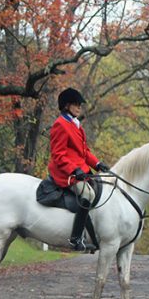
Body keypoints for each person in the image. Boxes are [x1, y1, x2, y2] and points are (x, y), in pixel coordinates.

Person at [48, 87, 110, 251]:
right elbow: (58, 155)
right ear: (67, 106)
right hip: (65, 172)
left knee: (101, 189)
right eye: (76, 104)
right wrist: (74, 170)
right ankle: (75, 238)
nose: (79, 107)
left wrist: (97, 164)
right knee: (88, 194)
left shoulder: (76, 125)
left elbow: (84, 152)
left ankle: (93, 235)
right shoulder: (60, 125)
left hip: (81, 170)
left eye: (79, 105)